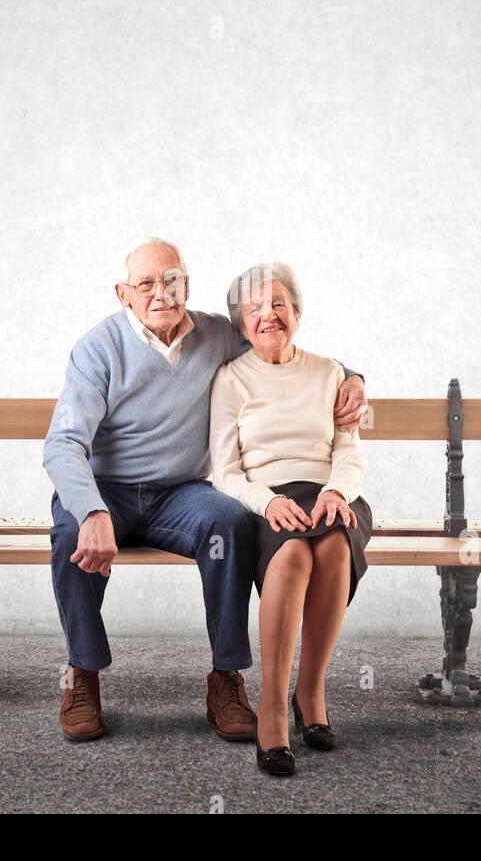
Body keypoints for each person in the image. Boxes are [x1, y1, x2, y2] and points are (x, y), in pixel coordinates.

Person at [43, 238, 368, 742]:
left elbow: (280, 344)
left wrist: (352, 376)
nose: (160, 293)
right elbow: (63, 444)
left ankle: (226, 677)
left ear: (186, 285)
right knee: (70, 536)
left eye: (171, 280)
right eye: (145, 283)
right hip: (108, 490)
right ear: (122, 294)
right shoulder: (97, 348)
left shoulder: (215, 334)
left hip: (180, 494)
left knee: (229, 521)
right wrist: (91, 510)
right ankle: (82, 673)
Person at [208, 262, 372, 775]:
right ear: (240, 324)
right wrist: (266, 501)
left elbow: (350, 451)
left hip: (329, 492)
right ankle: (274, 707)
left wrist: (336, 491)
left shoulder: (330, 373)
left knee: (333, 544)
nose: (268, 315)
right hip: (266, 499)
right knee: (296, 551)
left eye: (278, 303)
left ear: (296, 312)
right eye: (254, 308)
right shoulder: (230, 378)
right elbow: (224, 471)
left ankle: (312, 690)